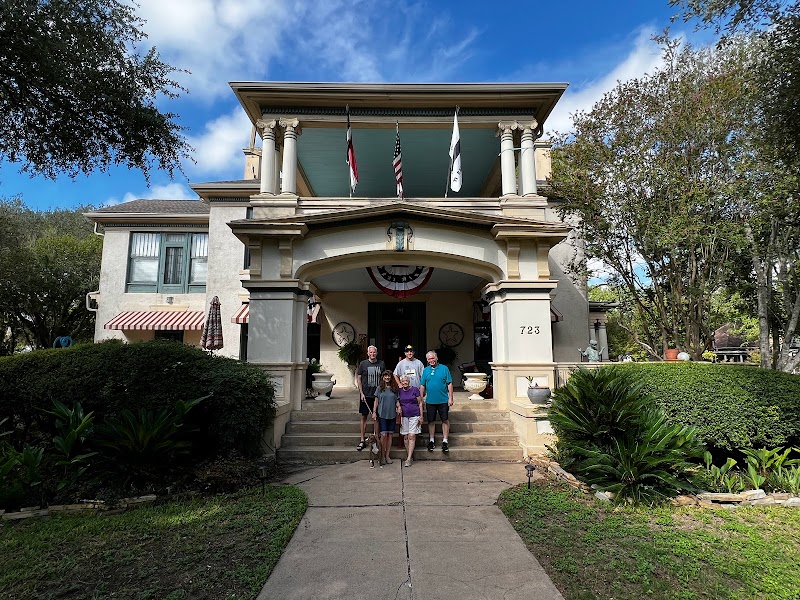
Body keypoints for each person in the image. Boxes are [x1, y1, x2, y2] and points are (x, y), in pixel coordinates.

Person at [419, 350, 454, 453]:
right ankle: (431, 440)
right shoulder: (425, 370)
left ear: (436, 358)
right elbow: (422, 385)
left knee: (445, 420)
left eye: (433, 358)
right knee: (431, 421)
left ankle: (445, 441)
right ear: (427, 360)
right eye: (429, 359)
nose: (431, 360)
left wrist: (451, 397)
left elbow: (449, 383)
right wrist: (421, 398)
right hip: (430, 400)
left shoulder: (444, 369)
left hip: (443, 399)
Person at [355, 345, 385, 451]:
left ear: (376, 353)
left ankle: (376, 439)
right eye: (370, 352)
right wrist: (361, 393)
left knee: (376, 417)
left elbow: (384, 379)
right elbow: (358, 379)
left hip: (377, 396)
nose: (372, 354)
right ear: (368, 353)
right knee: (364, 417)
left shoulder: (381, 364)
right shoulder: (363, 364)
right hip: (366, 395)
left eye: (374, 352)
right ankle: (362, 440)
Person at [397, 375, 423, 467]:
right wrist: (399, 406)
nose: (404, 382)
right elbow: (397, 401)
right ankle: (410, 455)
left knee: (412, 435)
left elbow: (420, 403)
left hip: (414, 414)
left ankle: (408, 459)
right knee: (406, 437)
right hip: (404, 416)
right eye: (403, 381)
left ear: (409, 381)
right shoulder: (399, 391)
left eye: (406, 381)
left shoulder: (415, 389)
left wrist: (421, 416)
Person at [375, 370, 399, 464]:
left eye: (388, 376)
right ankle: (381, 455)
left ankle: (387, 455)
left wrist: (399, 407)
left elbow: (397, 401)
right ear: (383, 377)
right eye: (385, 376)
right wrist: (374, 412)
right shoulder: (379, 388)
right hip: (382, 414)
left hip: (392, 414)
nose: (387, 378)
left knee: (390, 435)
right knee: (383, 435)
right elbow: (376, 401)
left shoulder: (394, 389)